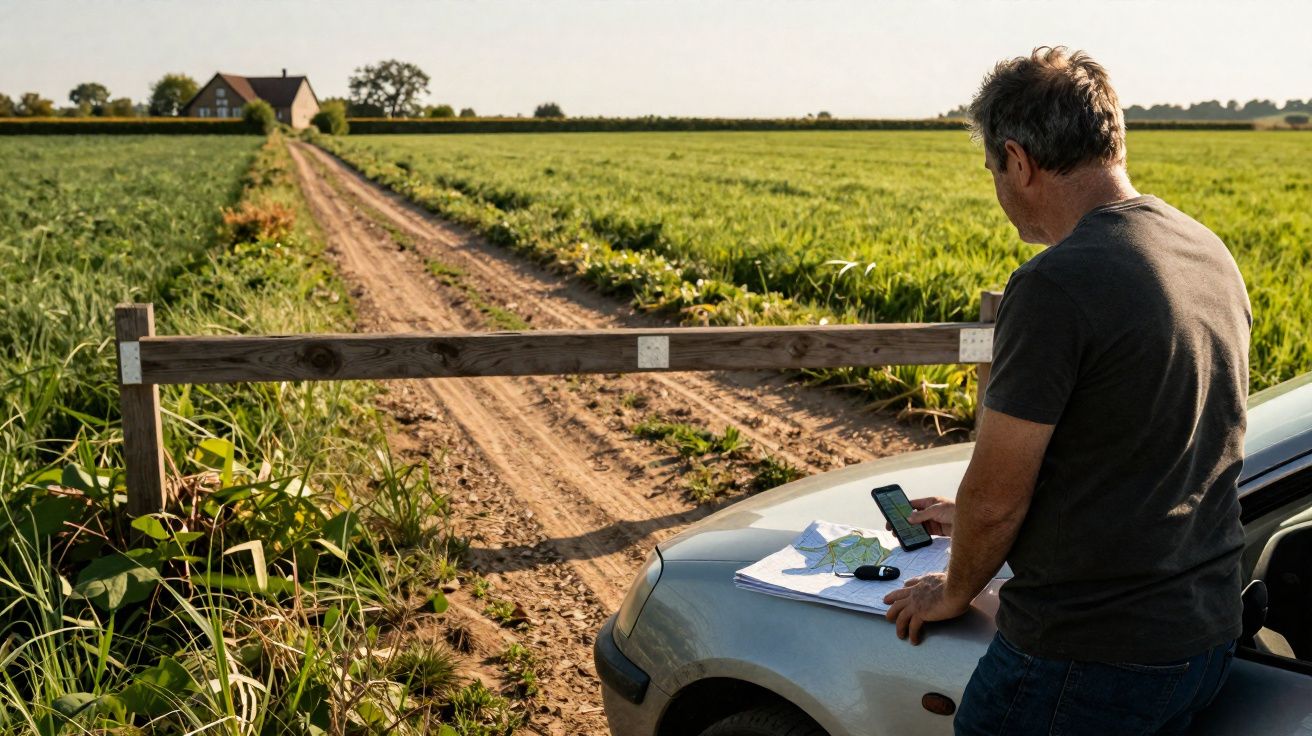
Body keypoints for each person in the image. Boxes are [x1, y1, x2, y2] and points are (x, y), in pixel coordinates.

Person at [881, 47, 1250, 735]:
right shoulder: (1206, 250)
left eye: (993, 169)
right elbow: (1141, 453)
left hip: (1088, 657)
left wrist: (953, 589)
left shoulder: (1057, 282)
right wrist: (966, 521)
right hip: (1202, 636)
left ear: (1017, 161)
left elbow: (997, 496)